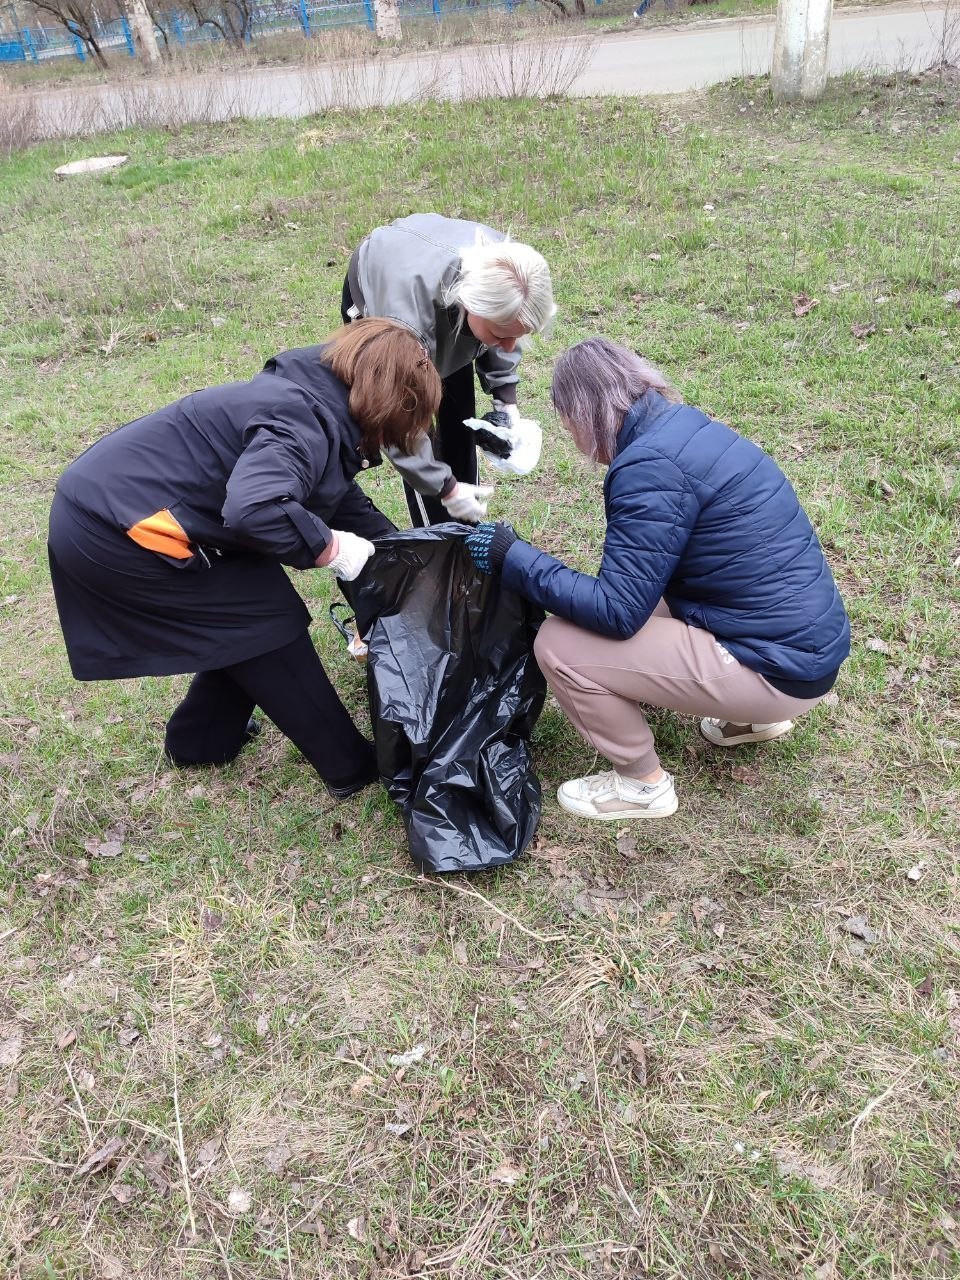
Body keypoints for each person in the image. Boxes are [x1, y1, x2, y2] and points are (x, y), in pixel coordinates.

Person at [47, 319, 441, 800]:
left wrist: (399, 555)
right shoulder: (303, 422)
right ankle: (349, 766)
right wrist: (336, 551)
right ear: (390, 403)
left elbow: (329, 493)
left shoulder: (316, 399)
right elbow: (255, 509)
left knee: (236, 619)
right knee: (263, 621)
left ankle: (200, 742)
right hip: (118, 529)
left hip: (111, 502)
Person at [464, 338, 850, 822]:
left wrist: (513, 557)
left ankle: (642, 784)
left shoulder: (650, 469)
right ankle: (750, 717)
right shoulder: (687, 427)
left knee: (560, 643)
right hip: (806, 645)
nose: (572, 437)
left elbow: (617, 612)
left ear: (585, 413)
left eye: (567, 423)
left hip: (779, 668)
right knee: (650, 598)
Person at [342, 214, 556, 527]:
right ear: (472, 305)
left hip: (444, 300)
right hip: (385, 293)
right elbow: (397, 427)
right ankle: (439, 537)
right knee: (414, 419)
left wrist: (505, 399)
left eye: (517, 336)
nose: (510, 346)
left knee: (458, 420)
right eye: (501, 337)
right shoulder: (402, 329)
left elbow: (507, 322)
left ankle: (466, 525)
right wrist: (446, 490)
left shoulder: (509, 268)